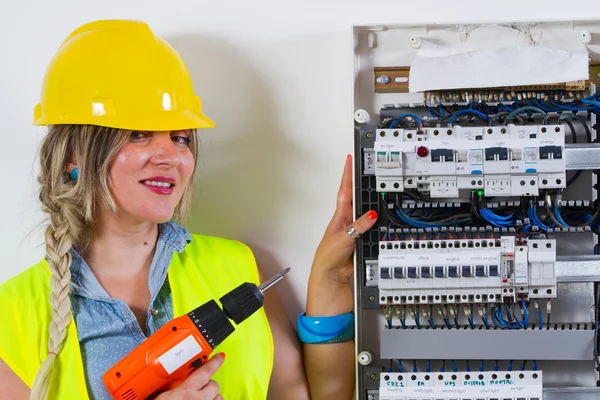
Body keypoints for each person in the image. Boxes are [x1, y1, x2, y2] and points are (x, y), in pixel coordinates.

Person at [0, 19, 378, 400]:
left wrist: (328, 279)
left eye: (180, 138)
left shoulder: (235, 268)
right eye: (138, 134)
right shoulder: (11, 316)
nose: (170, 156)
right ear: (71, 156)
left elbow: (317, 396)